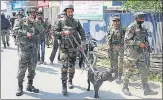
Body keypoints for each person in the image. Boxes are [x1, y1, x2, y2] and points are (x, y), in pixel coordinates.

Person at [122, 12, 158, 96]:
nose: (142, 19)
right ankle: (125, 87)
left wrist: (147, 45)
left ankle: (146, 89)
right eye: (140, 18)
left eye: (143, 18)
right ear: (136, 18)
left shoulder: (142, 28)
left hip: (140, 54)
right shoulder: (132, 27)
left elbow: (144, 40)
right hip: (131, 54)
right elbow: (126, 41)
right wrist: (139, 43)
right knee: (128, 71)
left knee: (144, 70)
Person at [53, 4, 86, 95]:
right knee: (64, 67)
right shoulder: (60, 22)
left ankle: (70, 80)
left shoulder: (76, 22)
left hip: (74, 48)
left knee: (72, 67)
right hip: (64, 48)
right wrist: (63, 33)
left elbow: (82, 31)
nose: (70, 13)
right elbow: (55, 33)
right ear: (66, 12)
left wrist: (83, 42)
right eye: (69, 11)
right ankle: (64, 86)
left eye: (72, 11)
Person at [13, 7, 39, 96]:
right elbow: (15, 30)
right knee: (22, 69)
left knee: (32, 69)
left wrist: (36, 23)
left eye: (35, 13)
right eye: (32, 13)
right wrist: (25, 33)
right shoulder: (20, 20)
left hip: (33, 50)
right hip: (24, 49)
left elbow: (42, 30)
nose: (33, 14)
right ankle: (20, 87)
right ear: (28, 13)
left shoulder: (36, 22)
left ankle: (30, 85)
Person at [106, 15, 125, 84]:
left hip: (120, 48)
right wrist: (108, 44)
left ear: (119, 22)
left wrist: (122, 46)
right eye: (114, 21)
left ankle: (120, 76)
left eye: (117, 21)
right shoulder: (110, 28)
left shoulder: (123, 29)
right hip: (112, 48)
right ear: (113, 22)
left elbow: (126, 39)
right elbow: (108, 36)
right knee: (113, 61)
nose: (116, 23)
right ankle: (115, 74)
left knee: (120, 62)